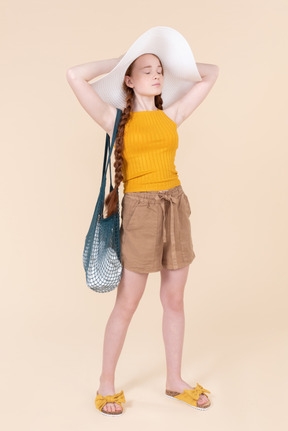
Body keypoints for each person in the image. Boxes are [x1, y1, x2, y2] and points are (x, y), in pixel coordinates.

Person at [66, 26, 219, 416]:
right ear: (129, 81)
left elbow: (211, 72)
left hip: (175, 205)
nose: (156, 75)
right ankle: (105, 385)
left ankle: (174, 381)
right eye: (146, 70)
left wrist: (169, 60)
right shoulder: (112, 118)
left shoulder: (174, 113)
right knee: (128, 303)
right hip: (140, 211)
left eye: (160, 71)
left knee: (174, 299)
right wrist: (122, 61)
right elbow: (74, 75)